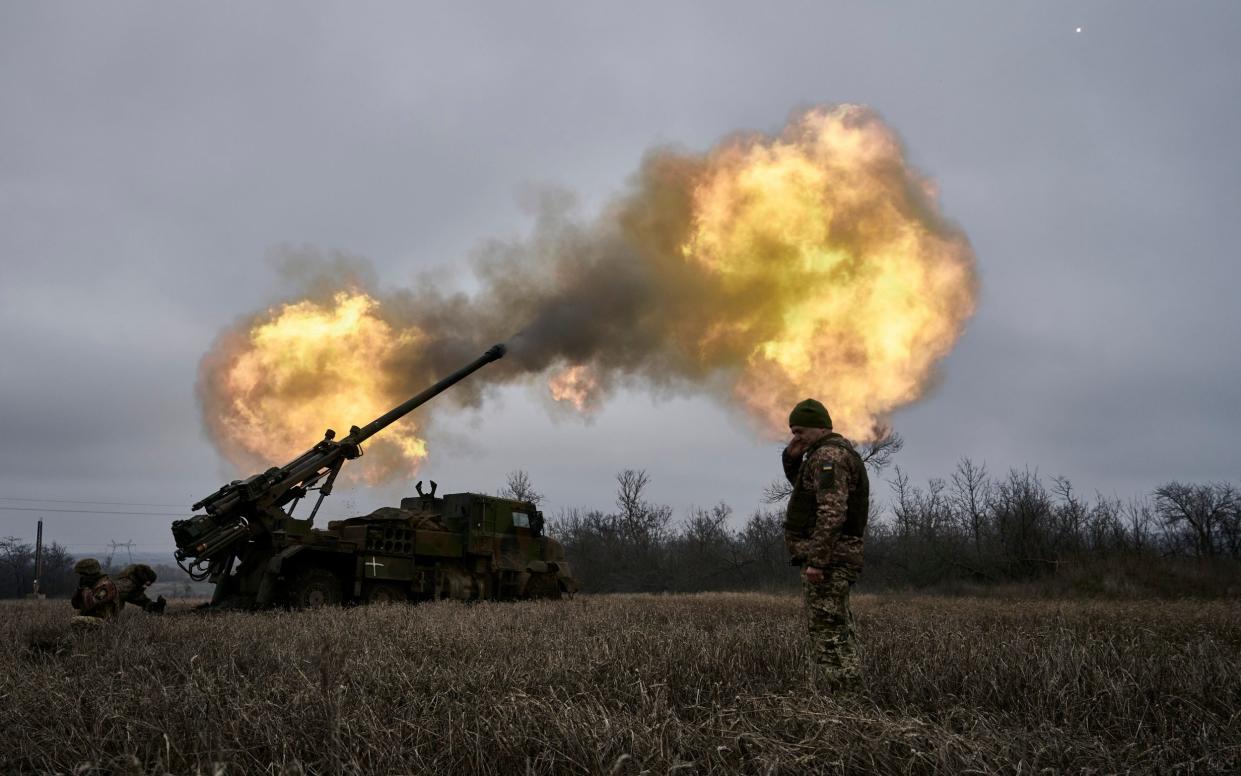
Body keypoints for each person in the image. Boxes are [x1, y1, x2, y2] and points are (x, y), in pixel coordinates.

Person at [781, 398, 870, 693]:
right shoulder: (826, 454)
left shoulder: (828, 456)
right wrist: (791, 459)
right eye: (793, 432)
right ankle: (852, 699)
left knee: (828, 634)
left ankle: (848, 706)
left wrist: (817, 561)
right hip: (836, 558)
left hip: (830, 562)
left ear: (821, 428)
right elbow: (807, 491)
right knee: (838, 630)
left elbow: (831, 512)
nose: (796, 437)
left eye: (800, 432)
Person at [70, 558, 119, 625]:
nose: (82, 577)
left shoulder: (106, 585)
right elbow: (75, 605)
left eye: (83, 574)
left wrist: (85, 589)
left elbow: (90, 604)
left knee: (76, 620)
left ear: (90, 573)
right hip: (94, 619)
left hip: (105, 621)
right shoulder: (90, 584)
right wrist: (79, 591)